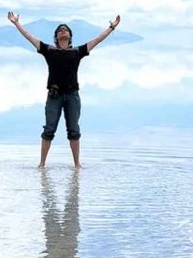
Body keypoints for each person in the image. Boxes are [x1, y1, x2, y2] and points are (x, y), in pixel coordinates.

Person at [7, 11, 121, 168]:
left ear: (70, 37)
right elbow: (29, 37)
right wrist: (16, 23)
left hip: (72, 95)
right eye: (60, 29)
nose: (63, 30)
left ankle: (77, 165)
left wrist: (111, 27)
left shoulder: (77, 52)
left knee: (74, 130)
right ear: (56, 37)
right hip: (54, 95)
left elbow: (97, 40)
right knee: (49, 129)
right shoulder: (49, 51)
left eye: (65, 29)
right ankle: (42, 164)